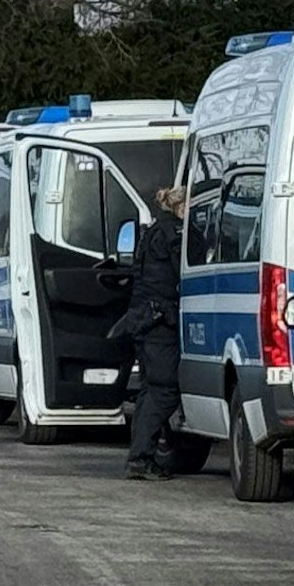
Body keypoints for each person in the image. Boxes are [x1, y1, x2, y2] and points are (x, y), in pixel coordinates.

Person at [121, 186, 186, 480]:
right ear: (182, 207)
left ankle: (140, 455)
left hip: (145, 319)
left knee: (149, 390)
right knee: (164, 390)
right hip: (160, 321)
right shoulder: (173, 235)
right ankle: (141, 458)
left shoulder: (153, 232)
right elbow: (181, 274)